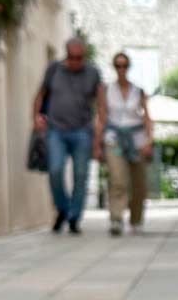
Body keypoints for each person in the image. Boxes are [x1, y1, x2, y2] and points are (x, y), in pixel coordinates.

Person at [33, 37, 105, 234]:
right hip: (56, 129)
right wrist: (37, 117)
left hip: (83, 130)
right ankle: (62, 209)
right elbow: (40, 95)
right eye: (71, 57)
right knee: (55, 171)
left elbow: (100, 104)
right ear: (66, 54)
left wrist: (98, 136)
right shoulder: (54, 69)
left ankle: (74, 217)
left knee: (80, 175)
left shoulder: (93, 73)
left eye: (79, 57)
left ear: (84, 55)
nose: (75, 61)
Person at [97, 52, 153, 236]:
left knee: (139, 184)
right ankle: (116, 218)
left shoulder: (138, 90)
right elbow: (102, 118)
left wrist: (149, 141)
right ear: (114, 67)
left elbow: (147, 117)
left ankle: (136, 220)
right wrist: (96, 144)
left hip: (137, 139)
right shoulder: (106, 90)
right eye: (118, 65)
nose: (121, 69)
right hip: (114, 139)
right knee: (117, 179)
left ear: (129, 67)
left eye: (124, 65)